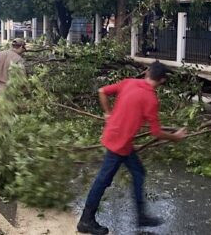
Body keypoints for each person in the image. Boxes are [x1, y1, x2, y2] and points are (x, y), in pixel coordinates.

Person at [77, 61, 187, 235]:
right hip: (118, 145)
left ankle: (141, 216)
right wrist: (176, 137)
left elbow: (102, 91)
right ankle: (85, 221)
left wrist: (107, 113)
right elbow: (156, 133)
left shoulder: (129, 82)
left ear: (147, 72)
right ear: (162, 80)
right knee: (103, 181)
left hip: (121, 141)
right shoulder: (151, 99)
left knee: (138, 172)